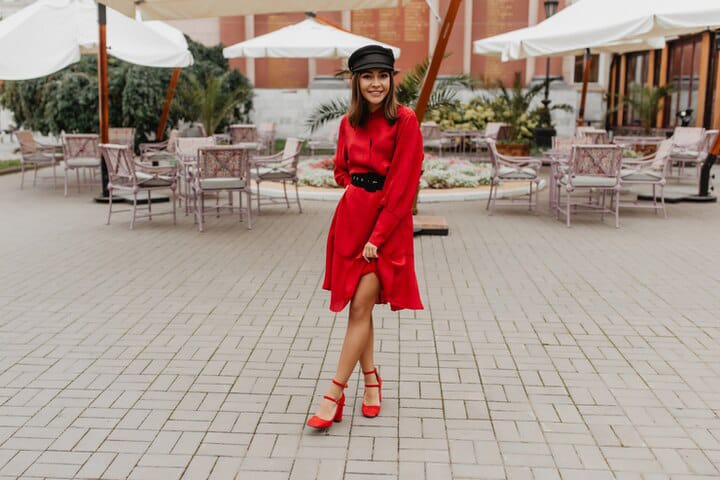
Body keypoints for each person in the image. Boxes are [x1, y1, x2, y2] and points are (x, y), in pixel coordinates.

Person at [307, 45, 424, 430]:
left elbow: (404, 185)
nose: (376, 83)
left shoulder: (405, 121)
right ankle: (372, 382)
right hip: (350, 222)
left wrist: (377, 232)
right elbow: (341, 169)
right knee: (361, 308)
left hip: (385, 228)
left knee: (359, 307)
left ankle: (334, 394)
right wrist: (357, 191)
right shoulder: (348, 122)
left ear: (392, 80)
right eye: (368, 76)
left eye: (383, 76)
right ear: (356, 81)